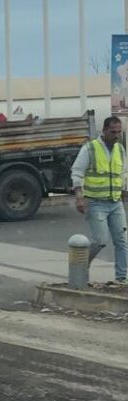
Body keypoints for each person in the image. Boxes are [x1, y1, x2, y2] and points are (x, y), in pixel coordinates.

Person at [71, 116, 128, 284]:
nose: (116, 135)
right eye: (113, 132)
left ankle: (121, 278)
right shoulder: (90, 149)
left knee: (122, 241)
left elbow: (122, 173)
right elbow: (77, 172)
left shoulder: (120, 149)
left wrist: (124, 191)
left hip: (115, 202)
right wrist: (79, 197)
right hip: (95, 202)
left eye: (119, 132)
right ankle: (81, 266)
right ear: (103, 131)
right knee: (100, 240)